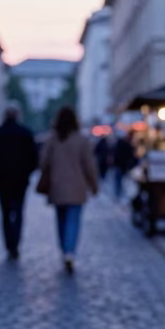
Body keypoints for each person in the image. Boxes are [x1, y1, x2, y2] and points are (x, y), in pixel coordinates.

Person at [38, 106, 98, 274]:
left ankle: (64, 249)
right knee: (73, 221)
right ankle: (70, 251)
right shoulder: (82, 140)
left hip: (57, 187)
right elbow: (89, 166)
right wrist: (94, 185)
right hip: (77, 187)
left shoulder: (53, 140)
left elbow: (43, 163)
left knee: (61, 220)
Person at [0, 104, 37, 260]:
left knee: (5, 213)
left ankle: (9, 243)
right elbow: (33, 160)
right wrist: (25, 173)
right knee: (18, 213)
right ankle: (15, 243)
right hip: (20, 181)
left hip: (2, 181)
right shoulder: (25, 133)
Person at [111, 133, 137, 200]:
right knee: (122, 181)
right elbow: (131, 155)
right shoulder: (127, 145)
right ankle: (119, 194)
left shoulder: (119, 144)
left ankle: (118, 194)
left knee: (119, 181)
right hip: (122, 165)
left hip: (119, 165)